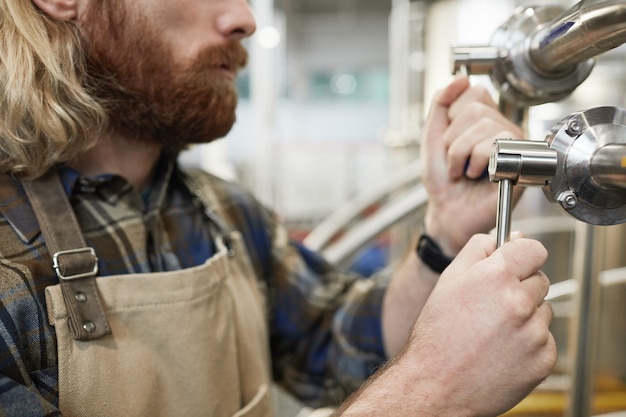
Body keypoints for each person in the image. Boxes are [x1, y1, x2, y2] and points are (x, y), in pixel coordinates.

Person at [0, 0, 556, 416]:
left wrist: (446, 233)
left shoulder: (224, 212)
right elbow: (411, 378)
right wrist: (431, 391)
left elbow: (336, 343)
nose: (244, 17)